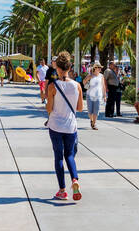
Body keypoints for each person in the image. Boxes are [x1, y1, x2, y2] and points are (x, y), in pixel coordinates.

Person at [45, 51, 83, 201]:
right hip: (70, 126)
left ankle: (62, 190)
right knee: (69, 155)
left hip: (55, 125)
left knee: (58, 157)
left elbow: (49, 108)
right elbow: (80, 108)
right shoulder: (77, 86)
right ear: (69, 67)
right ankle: (75, 180)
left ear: (58, 69)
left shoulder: (53, 86)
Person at [85, 64, 105, 130]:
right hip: (90, 95)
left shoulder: (101, 76)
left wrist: (104, 95)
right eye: (98, 67)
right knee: (90, 111)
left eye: (100, 67)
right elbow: (84, 82)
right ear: (95, 68)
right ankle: (91, 120)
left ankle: (94, 124)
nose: (99, 69)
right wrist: (87, 81)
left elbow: (103, 86)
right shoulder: (91, 75)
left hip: (98, 95)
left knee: (96, 111)